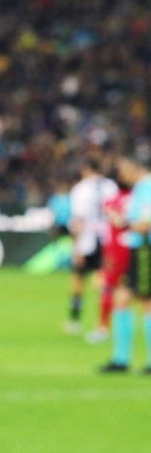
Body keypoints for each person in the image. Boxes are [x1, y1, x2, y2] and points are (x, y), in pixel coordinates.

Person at [100, 155, 151, 373]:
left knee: (147, 303)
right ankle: (120, 359)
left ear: (134, 167)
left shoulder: (147, 188)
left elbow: (145, 225)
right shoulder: (140, 189)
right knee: (120, 299)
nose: (120, 175)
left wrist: (121, 221)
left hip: (146, 250)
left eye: (122, 169)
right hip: (136, 250)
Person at [65, 159, 117, 334]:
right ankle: (103, 324)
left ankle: (74, 321)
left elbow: (78, 220)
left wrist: (76, 247)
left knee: (78, 281)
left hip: (87, 240)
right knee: (104, 282)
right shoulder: (111, 186)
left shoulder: (81, 189)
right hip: (108, 239)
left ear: (85, 169)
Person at [86, 177, 131, 343]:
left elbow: (116, 223)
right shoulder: (139, 199)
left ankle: (103, 328)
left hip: (117, 252)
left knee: (109, 289)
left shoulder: (112, 201)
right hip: (137, 250)